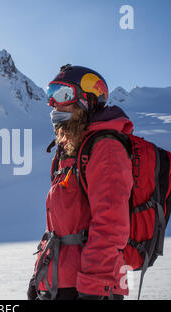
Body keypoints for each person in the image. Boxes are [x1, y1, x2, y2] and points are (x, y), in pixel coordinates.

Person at [28, 64, 133, 300]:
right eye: (50, 94)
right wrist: (39, 277)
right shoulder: (69, 152)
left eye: (63, 94)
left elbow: (110, 224)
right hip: (58, 284)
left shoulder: (105, 147)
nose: (53, 103)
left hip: (87, 288)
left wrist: (94, 289)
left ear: (88, 100)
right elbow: (59, 228)